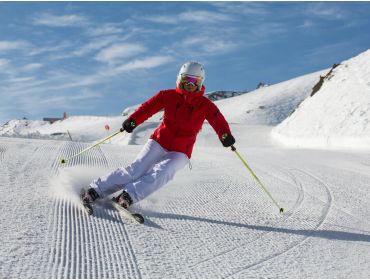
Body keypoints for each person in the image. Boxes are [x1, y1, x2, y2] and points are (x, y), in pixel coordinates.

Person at [81, 62, 236, 209]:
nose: (190, 84)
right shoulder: (167, 95)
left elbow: (218, 121)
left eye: (195, 81)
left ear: (200, 83)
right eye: (187, 79)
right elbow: (148, 107)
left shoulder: (205, 105)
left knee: (164, 173)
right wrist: (133, 120)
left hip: (181, 151)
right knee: (136, 170)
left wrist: (225, 135)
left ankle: (128, 196)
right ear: (180, 79)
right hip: (159, 141)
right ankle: (95, 189)